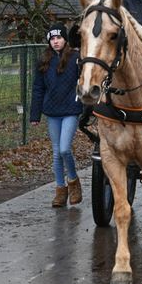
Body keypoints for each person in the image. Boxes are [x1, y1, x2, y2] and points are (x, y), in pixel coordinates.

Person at [30, 23, 83, 208]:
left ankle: (74, 181)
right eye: (52, 39)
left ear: (65, 39)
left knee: (64, 149)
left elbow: (85, 82)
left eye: (59, 38)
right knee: (56, 153)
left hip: (70, 110)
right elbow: (38, 89)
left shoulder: (76, 58)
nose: (56, 41)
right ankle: (60, 191)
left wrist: (83, 104)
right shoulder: (44, 62)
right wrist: (35, 115)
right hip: (52, 111)